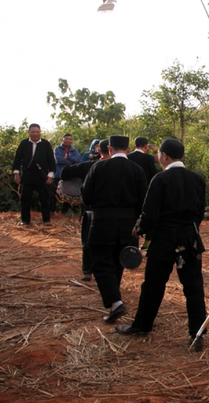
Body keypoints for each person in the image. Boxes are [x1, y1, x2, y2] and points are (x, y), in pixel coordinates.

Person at [115, 139, 208, 351]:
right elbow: (200, 212)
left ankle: (142, 325)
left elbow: (150, 213)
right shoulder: (197, 179)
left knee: (153, 286)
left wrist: (138, 228)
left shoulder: (160, 179)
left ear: (164, 156)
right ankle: (197, 333)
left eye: (159, 154)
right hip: (190, 241)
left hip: (163, 241)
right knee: (193, 288)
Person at [81, 135, 147, 324]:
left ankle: (115, 302)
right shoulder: (137, 170)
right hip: (128, 223)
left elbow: (86, 195)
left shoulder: (99, 167)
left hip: (102, 221)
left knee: (101, 261)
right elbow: (143, 200)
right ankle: (114, 300)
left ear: (109, 149)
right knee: (120, 259)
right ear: (127, 149)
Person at [62, 139, 110, 281]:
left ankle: (87, 270)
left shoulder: (88, 166)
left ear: (99, 151)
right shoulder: (123, 167)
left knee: (88, 239)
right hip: (113, 212)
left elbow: (65, 173)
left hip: (91, 210)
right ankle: (106, 271)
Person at [12, 123, 56, 226]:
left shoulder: (46, 144)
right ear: (29, 133)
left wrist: (50, 175)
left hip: (42, 176)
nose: (35, 134)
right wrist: (16, 173)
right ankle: (25, 220)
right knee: (25, 198)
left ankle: (46, 220)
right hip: (27, 175)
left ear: (40, 132)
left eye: (37, 132)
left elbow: (51, 160)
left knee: (44, 199)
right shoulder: (24, 143)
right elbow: (17, 159)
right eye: (33, 132)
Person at [52, 133, 82, 215]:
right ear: (62, 139)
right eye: (66, 139)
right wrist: (71, 162)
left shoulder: (74, 150)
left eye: (70, 139)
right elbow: (59, 160)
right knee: (54, 193)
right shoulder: (57, 149)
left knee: (69, 192)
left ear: (72, 141)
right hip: (58, 174)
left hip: (70, 174)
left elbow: (78, 160)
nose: (68, 140)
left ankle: (64, 211)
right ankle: (52, 210)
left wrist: (68, 157)